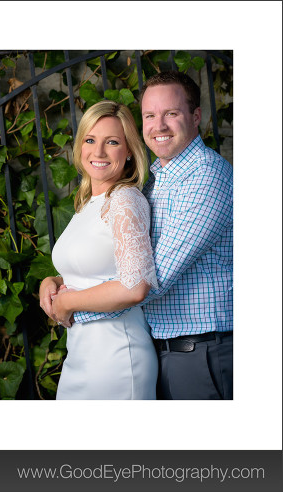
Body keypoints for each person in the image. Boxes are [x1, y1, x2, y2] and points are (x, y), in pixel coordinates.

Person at [44, 71, 233, 400]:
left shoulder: (206, 175)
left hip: (201, 349)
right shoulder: (153, 181)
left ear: (196, 116)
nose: (159, 125)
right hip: (160, 349)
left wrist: (69, 302)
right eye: (150, 115)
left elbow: (146, 280)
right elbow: (113, 261)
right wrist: (58, 282)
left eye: (171, 114)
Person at [38, 101, 158, 399]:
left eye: (112, 142)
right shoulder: (87, 203)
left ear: (129, 151)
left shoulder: (124, 199)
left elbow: (135, 287)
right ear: (80, 146)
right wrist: (51, 281)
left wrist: (68, 303)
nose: (99, 152)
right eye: (90, 140)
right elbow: (90, 266)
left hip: (116, 356)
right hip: (81, 354)